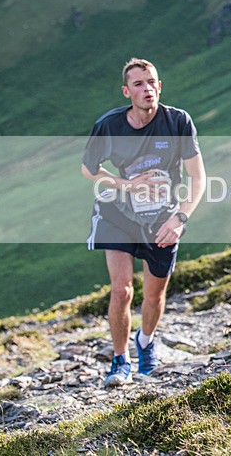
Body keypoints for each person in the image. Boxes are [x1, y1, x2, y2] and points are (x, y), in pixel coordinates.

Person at [82, 58, 206, 386]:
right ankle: (120, 359)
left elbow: (197, 178)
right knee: (122, 290)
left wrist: (180, 218)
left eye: (151, 82)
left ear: (159, 86)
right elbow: (88, 169)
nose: (146, 88)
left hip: (162, 219)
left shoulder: (177, 121)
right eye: (138, 84)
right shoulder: (109, 126)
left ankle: (146, 341)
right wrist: (127, 185)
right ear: (127, 92)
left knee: (153, 296)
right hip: (117, 215)